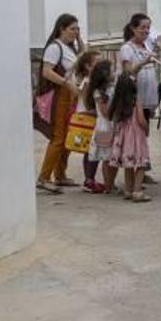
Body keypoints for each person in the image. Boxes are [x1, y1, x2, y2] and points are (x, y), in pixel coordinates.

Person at [37, 14, 83, 193]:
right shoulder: (55, 48)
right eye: (72, 29)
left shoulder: (69, 47)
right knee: (58, 138)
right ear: (62, 28)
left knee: (67, 137)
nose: (75, 32)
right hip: (59, 96)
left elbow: (83, 55)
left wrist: (78, 38)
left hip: (70, 95)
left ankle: (60, 175)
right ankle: (44, 177)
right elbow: (47, 72)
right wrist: (67, 84)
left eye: (77, 28)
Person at [118, 14, 160, 184]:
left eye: (148, 27)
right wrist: (144, 62)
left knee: (144, 134)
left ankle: (142, 171)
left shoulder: (147, 44)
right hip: (136, 98)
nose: (146, 30)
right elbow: (128, 72)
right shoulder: (127, 48)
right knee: (135, 135)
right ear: (133, 28)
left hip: (149, 96)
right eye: (142, 27)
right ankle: (134, 174)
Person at [109, 72, 152, 202]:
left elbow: (114, 120)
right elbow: (140, 119)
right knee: (141, 163)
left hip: (123, 136)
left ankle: (128, 189)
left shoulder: (118, 101)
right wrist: (146, 128)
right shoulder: (136, 99)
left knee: (128, 163)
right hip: (136, 135)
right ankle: (137, 191)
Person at [72, 50, 105, 194]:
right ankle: (89, 179)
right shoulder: (88, 82)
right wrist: (94, 112)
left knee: (94, 151)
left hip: (93, 117)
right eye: (97, 63)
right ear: (88, 66)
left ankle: (91, 178)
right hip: (88, 117)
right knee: (90, 151)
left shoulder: (96, 81)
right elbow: (86, 102)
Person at [85, 60, 115, 194]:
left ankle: (110, 184)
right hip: (105, 127)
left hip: (111, 125)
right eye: (112, 70)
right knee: (107, 158)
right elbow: (105, 112)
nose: (114, 72)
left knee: (111, 158)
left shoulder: (110, 88)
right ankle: (108, 186)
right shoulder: (99, 92)